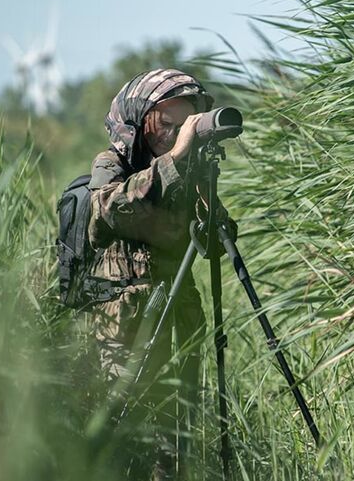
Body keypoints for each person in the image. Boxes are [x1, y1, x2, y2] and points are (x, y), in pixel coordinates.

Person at [86, 68, 228, 479]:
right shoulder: (111, 164)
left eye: (183, 125)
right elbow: (107, 212)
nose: (175, 133)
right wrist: (178, 157)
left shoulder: (184, 173)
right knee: (127, 433)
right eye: (167, 124)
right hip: (126, 325)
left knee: (176, 435)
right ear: (137, 123)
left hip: (180, 318)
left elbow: (217, 242)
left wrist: (207, 197)